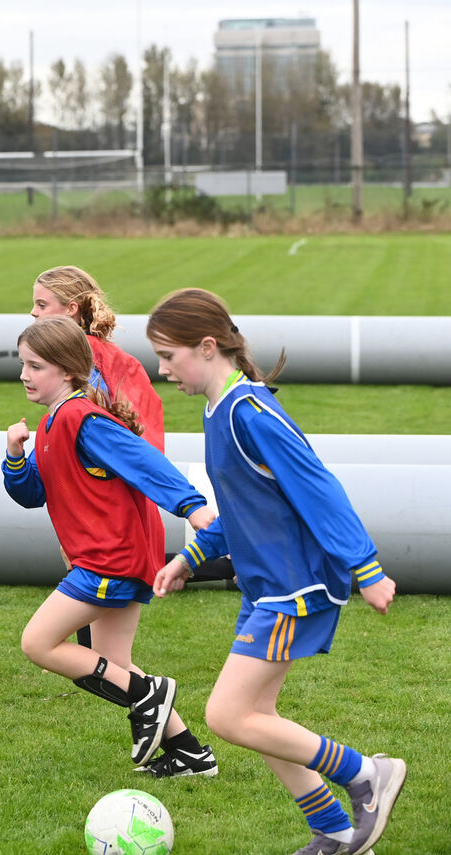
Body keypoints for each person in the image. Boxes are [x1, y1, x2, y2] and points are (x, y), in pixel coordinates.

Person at [146, 288, 405, 855]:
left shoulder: (250, 412)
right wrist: (188, 558)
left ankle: (366, 775)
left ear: (208, 346)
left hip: (296, 588)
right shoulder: (220, 411)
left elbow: (318, 489)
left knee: (227, 714)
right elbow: (239, 507)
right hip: (267, 589)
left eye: (169, 356)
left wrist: (366, 568)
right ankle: (332, 830)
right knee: (256, 717)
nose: (162, 370)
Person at [2, 315, 218, 777]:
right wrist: (16, 456)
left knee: (38, 643)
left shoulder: (84, 418)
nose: (24, 374)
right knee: (113, 667)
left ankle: (149, 695)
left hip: (109, 560)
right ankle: (190, 754)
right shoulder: (51, 423)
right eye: (22, 364)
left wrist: (192, 507)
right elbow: (32, 494)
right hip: (110, 559)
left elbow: (143, 462)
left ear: (66, 370)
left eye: (35, 365)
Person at [31, 265, 236, 586]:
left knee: (51, 630)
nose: (33, 313)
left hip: (101, 507)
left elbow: (127, 449)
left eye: (42, 305)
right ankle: (217, 564)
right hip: (102, 505)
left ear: (71, 309)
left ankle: (220, 563)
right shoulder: (98, 359)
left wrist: (190, 506)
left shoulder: (84, 366)